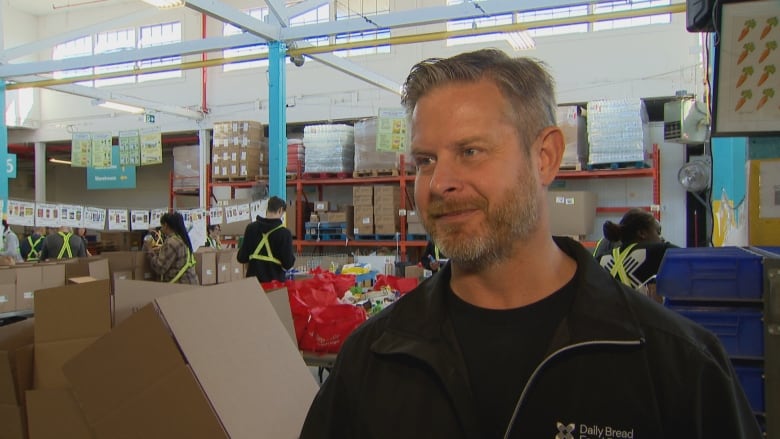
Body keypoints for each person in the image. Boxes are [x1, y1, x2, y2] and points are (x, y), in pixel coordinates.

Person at [300, 49, 761, 439]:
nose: (438, 183)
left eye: (470, 151)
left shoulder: (674, 366)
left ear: (545, 157)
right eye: (425, 160)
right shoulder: (373, 360)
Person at [597, 208, 678, 303]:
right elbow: (692, 257)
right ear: (642, 233)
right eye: (658, 232)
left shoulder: (599, 260)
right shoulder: (659, 252)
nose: (661, 238)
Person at [237, 196, 295, 283]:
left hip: (253, 286)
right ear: (280, 210)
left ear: (267, 209)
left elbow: (241, 258)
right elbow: (288, 264)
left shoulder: (251, 228)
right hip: (274, 287)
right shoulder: (284, 233)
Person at [144, 212, 199, 284]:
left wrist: (150, 250)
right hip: (190, 282)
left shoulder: (172, 243)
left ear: (166, 225)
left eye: (162, 225)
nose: (161, 229)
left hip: (180, 285)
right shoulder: (182, 239)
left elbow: (160, 267)